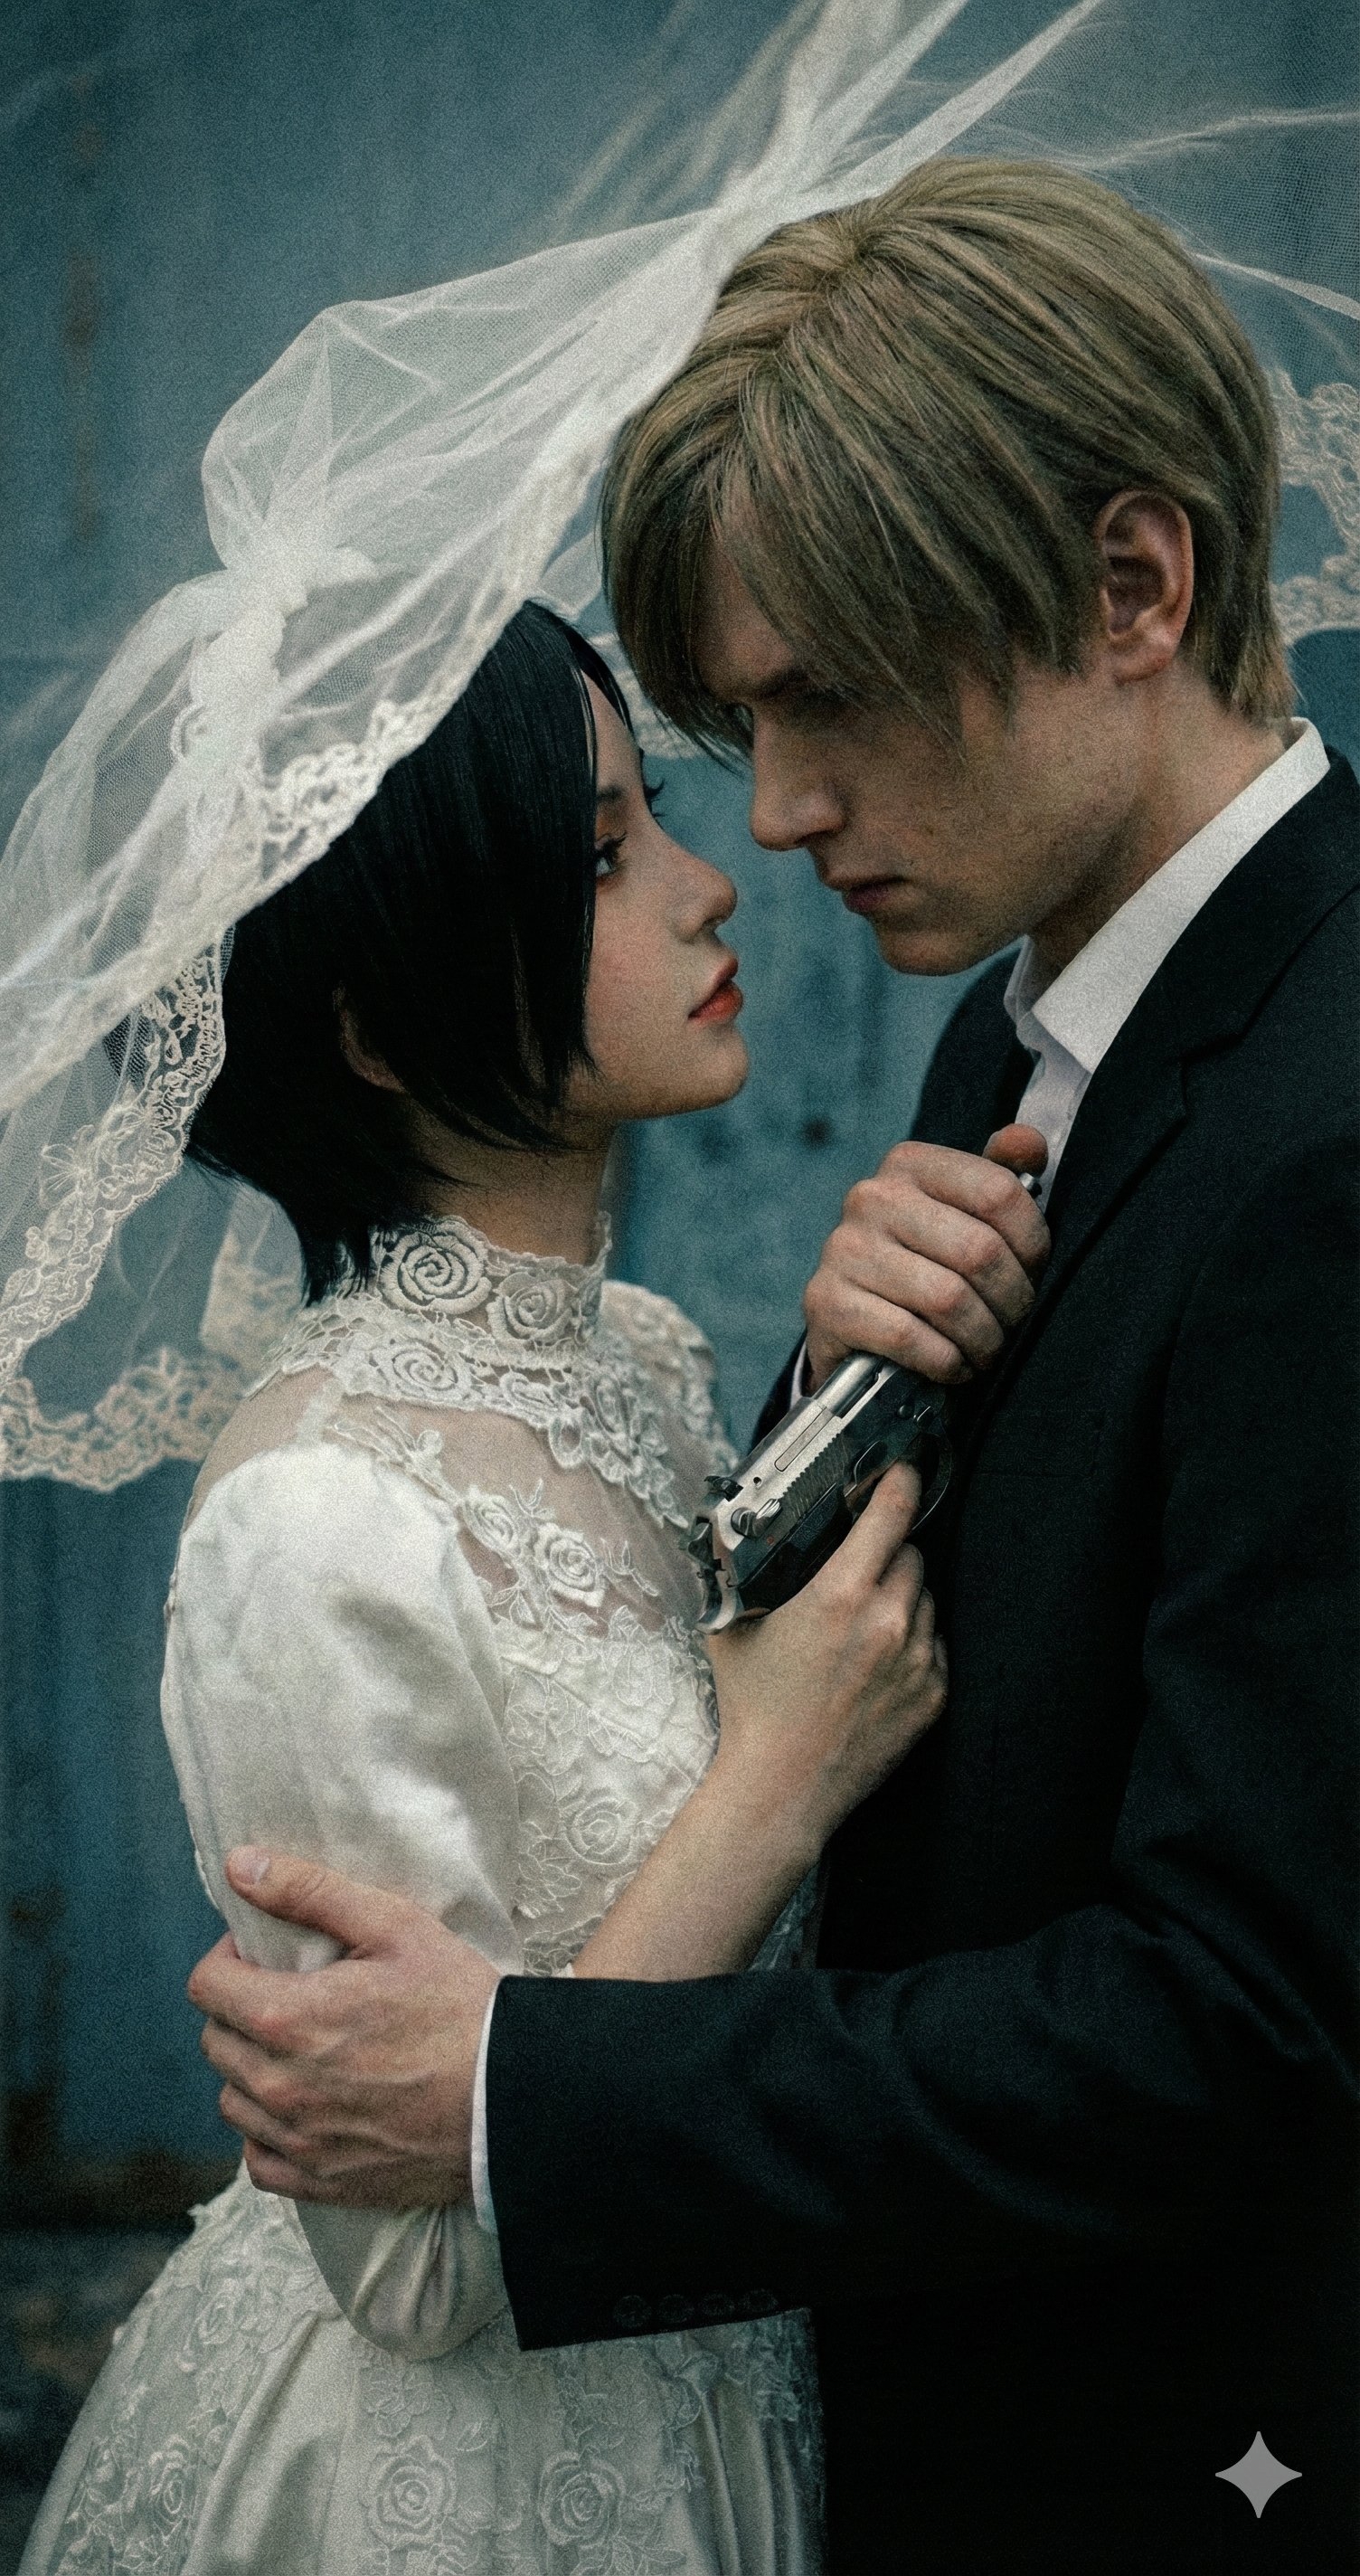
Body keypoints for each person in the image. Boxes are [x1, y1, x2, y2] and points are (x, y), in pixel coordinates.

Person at [189, 162, 1360, 2573]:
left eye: (827, 695)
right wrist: (844, 1393)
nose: (784, 812)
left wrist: (516, 2089)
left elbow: (1243, 2019)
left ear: (1132, 588)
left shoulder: (1331, 1129)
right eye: (740, 722)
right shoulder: (1015, 1048)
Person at [16, 601, 949, 2574]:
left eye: (653, 820)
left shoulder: (643, 1363)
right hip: (460, 2484)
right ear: (377, 1025)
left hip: (726, 2379)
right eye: (601, 857)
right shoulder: (313, 1518)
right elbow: (411, 2271)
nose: (711, 886)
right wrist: (776, 1780)